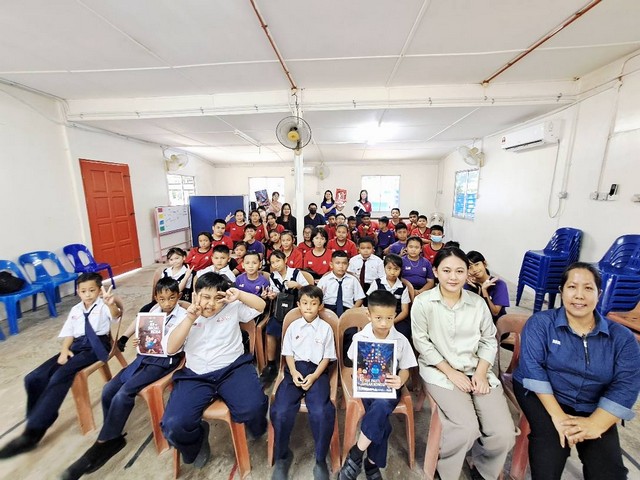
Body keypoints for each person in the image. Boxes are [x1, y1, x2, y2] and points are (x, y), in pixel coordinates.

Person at [514, 262, 640, 480]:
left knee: (609, 471)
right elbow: (533, 369)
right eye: (572, 287)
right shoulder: (541, 323)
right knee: (549, 455)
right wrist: (560, 418)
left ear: (599, 294)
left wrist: (595, 424)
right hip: (544, 396)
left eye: (588, 288)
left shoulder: (622, 339)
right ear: (562, 291)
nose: (579, 295)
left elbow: (626, 385)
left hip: (592, 403)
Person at [61, 278, 187, 479]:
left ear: (178, 296)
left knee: (124, 393)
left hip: (164, 361)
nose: (167, 303)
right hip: (144, 357)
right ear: (156, 297)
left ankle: (102, 444)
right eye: (162, 299)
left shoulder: (183, 316)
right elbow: (145, 336)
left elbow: (178, 345)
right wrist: (140, 341)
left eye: (172, 298)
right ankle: (112, 435)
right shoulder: (152, 312)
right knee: (109, 389)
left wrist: (156, 344)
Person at [411, 247, 515, 480]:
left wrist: (481, 372)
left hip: (477, 369)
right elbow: (422, 343)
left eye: (459, 271)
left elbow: (489, 340)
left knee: (504, 434)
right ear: (435, 272)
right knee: (465, 428)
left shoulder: (477, 303)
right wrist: (451, 372)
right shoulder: (424, 303)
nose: (453, 277)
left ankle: (483, 470)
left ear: (467, 273)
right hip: (440, 371)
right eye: (446, 270)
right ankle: (446, 471)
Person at [0, 273, 121, 459]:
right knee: (34, 377)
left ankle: (33, 432)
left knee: (60, 376)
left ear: (99, 290)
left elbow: (115, 316)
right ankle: (39, 416)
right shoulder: (75, 310)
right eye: (83, 291)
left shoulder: (103, 305)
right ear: (77, 291)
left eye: (92, 290)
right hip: (76, 346)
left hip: (96, 346)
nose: (88, 294)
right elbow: (69, 333)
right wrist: (64, 350)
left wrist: (111, 304)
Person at [160, 273, 268, 468]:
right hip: (196, 376)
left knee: (254, 407)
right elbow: (170, 348)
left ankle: (256, 427)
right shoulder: (185, 316)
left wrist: (239, 295)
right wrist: (190, 319)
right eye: (205, 297)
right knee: (174, 425)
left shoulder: (232, 307)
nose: (210, 304)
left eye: (217, 298)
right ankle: (197, 439)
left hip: (233, 369)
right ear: (195, 295)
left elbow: (261, 306)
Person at [338, 290, 417, 480]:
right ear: (369, 315)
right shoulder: (360, 338)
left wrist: (401, 380)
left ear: (395, 315)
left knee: (381, 406)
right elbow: (352, 359)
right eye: (378, 318)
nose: (384, 323)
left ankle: (356, 453)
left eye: (389, 318)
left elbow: (406, 368)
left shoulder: (400, 340)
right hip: (366, 386)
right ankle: (372, 464)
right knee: (383, 424)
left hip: (390, 387)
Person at [269, 286, 336, 480]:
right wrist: (294, 372)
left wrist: (314, 376)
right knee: (280, 411)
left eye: (313, 304)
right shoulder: (293, 326)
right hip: (294, 370)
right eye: (305, 303)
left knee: (321, 411)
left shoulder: (325, 329)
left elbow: (327, 358)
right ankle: (282, 457)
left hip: (317, 372)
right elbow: (288, 354)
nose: (308, 307)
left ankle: (320, 459)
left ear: (320, 306)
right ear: (298, 304)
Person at [260, 251, 310, 386]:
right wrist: (271, 295)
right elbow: (275, 293)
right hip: (281, 311)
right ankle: (271, 364)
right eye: (273, 263)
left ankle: (298, 362)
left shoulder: (296, 273)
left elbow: (309, 290)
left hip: (297, 310)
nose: (275, 265)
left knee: (297, 330)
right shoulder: (273, 276)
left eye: (278, 261)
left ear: (285, 260)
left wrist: (298, 286)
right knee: (271, 329)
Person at [367, 254, 411, 340]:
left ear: (400, 269)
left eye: (396, 269)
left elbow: (405, 311)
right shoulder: (377, 283)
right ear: (384, 268)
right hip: (378, 316)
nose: (392, 272)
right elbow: (370, 303)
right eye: (389, 268)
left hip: (397, 318)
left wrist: (392, 321)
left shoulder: (403, 287)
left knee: (404, 331)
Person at [141, 247, 193, 311]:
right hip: (164, 299)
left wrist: (186, 276)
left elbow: (178, 290)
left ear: (184, 257)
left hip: (179, 300)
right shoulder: (166, 271)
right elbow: (161, 287)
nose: (174, 261)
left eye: (177, 258)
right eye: (171, 259)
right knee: (144, 310)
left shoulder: (187, 272)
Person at [465, 250, 510, 323]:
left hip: (495, 324)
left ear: (484, 264)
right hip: (475, 323)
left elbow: (495, 313)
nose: (474, 269)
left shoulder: (499, 284)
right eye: (470, 267)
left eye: (477, 264)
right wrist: (477, 289)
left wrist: (484, 291)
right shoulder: (467, 285)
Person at [317, 251, 365, 316]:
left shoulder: (353, 279)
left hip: (347, 309)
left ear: (348, 265)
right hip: (327, 309)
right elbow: (317, 296)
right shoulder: (325, 279)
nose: (341, 266)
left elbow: (360, 298)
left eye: (344, 263)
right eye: (337, 263)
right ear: (331, 264)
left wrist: (352, 311)